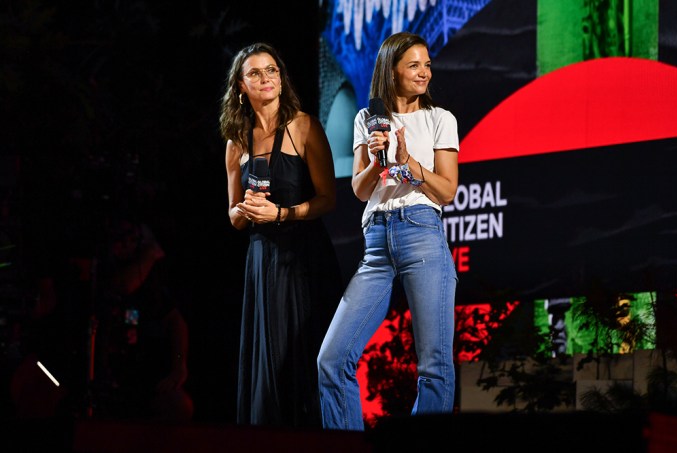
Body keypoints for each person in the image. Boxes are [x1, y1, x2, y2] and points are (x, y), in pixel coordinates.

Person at [317, 31, 460, 431]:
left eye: (427, 65)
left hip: (422, 234)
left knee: (434, 365)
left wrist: (409, 161)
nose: (424, 73)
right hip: (376, 242)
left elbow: (447, 190)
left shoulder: (439, 119)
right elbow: (362, 190)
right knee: (332, 359)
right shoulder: (367, 119)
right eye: (414, 65)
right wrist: (377, 161)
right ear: (391, 70)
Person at [219, 42, 343, 428]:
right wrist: (243, 211)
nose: (266, 78)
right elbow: (233, 216)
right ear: (241, 86)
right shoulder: (236, 142)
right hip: (262, 260)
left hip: (303, 256)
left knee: (303, 356)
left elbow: (327, 200)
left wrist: (282, 213)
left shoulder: (304, 125)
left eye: (271, 70)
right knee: (268, 362)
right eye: (255, 73)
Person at [96, 217, 194, 422]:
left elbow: (175, 321)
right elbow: (122, 285)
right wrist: (150, 254)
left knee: (179, 406)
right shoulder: (101, 270)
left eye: (132, 239)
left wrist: (178, 366)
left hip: (140, 375)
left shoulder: (149, 284)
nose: (125, 244)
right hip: (102, 373)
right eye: (121, 238)